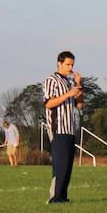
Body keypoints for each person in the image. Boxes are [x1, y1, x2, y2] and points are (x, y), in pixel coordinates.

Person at [43, 51, 84, 204]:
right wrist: (68, 94)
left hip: (70, 129)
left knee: (67, 166)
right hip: (58, 129)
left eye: (72, 64)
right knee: (60, 165)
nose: (70, 67)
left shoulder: (68, 82)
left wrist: (79, 85)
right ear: (59, 63)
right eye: (67, 64)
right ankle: (54, 197)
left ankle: (62, 197)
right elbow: (48, 103)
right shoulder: (51, 80)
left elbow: (79, 105)